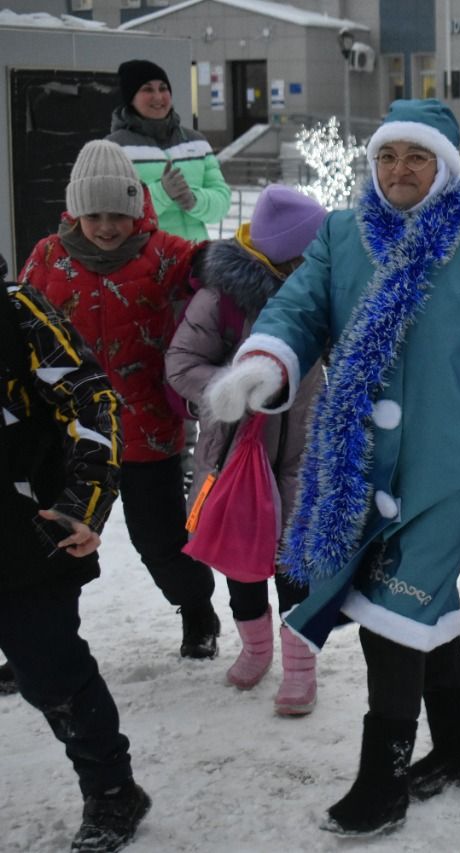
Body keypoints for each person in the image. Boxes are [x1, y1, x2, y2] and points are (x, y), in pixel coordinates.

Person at [203, 99, 460, 836]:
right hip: (361, 461)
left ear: (445, 167)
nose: (399, 171)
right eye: (387, 157)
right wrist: (265, 359)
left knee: (391, 612)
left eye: (416, 157)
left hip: (452, 463)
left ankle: (384, 778)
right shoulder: (341, 235)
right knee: (421, 605)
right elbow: (300, 311)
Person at [20, 139, 220, 660]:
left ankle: (197, 607)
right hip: (69, 437)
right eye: (94, 215)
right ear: (74, 212)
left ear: (137, 209)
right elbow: (20, 332)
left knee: (159, 542)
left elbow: (211, 269)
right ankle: (41, 643)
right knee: (53, 542)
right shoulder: (47, 258)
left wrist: (239, 264)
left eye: (118, 214)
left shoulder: (164, 255)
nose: (107, 226)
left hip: (146, 431)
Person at [1, 259, 151, 853]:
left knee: (50, 671)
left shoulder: (19, 312)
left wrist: (81, 503)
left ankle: (113, 790)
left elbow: (93, 402)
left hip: (27, 534)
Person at [165, 184, 328, 712]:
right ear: (288, 251)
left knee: (294, 564)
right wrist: (240, 386)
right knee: (242, 559)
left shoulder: (322, 290)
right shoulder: (222, 298)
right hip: (237, 451)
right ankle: (256, 649)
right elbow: (182, 365)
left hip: (306, 451)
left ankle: (301, 668)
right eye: (313, 245)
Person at [106, 59, 231, 242]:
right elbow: (114, 214)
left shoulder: (196, 142)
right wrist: (161, 192)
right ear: (130, 98)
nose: (158, 97)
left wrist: (194, 199)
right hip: (148, 263)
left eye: (163, 88)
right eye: (147, 89)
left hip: (195, 259)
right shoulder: (114, 148)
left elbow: (222, 202)